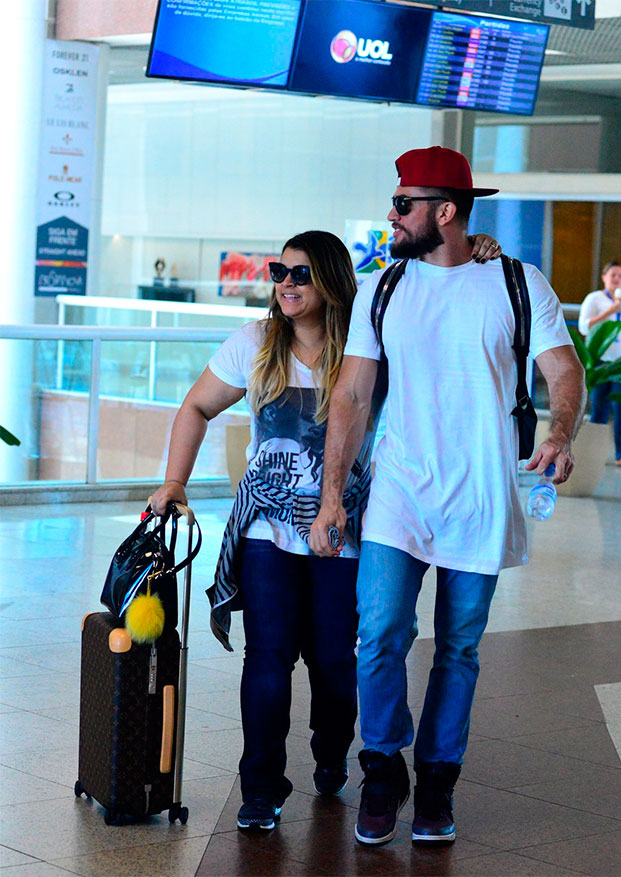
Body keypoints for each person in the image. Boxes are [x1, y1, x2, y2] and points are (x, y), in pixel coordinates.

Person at [151, 227, 502, 834]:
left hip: (349, 528)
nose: (286, 284)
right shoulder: (256, 343)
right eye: (279, 272)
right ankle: (261, 787)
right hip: (267, 530)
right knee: (266, 659)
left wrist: (476, 250)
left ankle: (332, 756)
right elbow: (196, 407)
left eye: (301, 273)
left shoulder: (371, 341)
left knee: (337, 663)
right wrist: (174, 482)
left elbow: (433, 284)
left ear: (334, 282)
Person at [310, 147, 586, 848]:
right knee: (379, 634)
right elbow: (352, 393)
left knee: (459, 647)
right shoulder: (384, 287)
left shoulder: (518, 283)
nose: (391, 215)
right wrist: (332, 496)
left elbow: (564, 369)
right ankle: (381, 768)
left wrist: (559, 431)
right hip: (400, 496)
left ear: (446, 212)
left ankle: (436, 780)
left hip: (480, 498)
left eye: (403, 204)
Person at [578, 260, 621, 467]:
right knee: (599, 408)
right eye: (613, 275)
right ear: (604, 277)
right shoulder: (594, 299)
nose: (617, 279)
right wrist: (610, 311)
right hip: (600, 361)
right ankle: (595, 453)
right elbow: (583, 328)